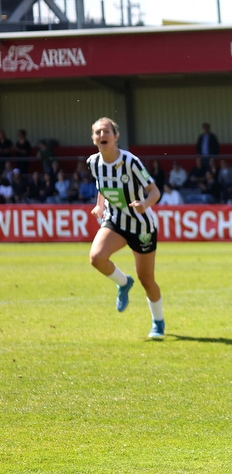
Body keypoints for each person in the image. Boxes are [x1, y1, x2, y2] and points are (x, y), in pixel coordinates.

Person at [86, 117, 166, 339]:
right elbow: (102, 186)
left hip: (141, 225)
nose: (102, 135)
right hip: (115, 221)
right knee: (96, 257)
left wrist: (145, 204)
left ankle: (158, 323)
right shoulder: (93, 163)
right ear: (94, 138)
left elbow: (155, 192)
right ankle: (124, 282)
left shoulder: (130, 162)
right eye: (98, 132)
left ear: (115, 136)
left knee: (147, 279)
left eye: (106, 131)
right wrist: (99, 206)